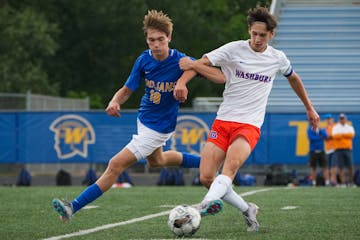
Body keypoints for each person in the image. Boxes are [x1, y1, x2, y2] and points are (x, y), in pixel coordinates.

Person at [52, 10, 225, 222]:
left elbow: (205, 69)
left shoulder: (180, 60)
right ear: (146, 39)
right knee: (157, 161)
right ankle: (208, 163)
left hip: (159, 127)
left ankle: (72, 207)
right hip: (144, 120)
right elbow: (127, 89)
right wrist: (114, 101)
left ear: (169, 38)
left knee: (115, 165)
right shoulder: (144, 59)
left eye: (161, 39)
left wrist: (182, 82)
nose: (156, 44)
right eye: (152, 40)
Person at [174, 6, 319, 232]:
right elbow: (201, 62)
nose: (258, 39)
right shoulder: (234, 49)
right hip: (223, 121)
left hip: (249, 124)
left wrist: (309, 108)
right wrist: (183, 81)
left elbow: (294, 79)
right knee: (205, 177)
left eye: (263, 35)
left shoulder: (277, 58)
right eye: (254, 33)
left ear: (271, 35)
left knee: (228, 172)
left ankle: (201, 207)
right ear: (249, 31)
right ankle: (247, 208)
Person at [332, 113, 355, 187]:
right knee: (341, 166)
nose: (342, 120)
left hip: (347, 149)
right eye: (341, 118)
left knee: (350, 166)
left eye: (343, 118)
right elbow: (334, 136)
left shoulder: (349, 127)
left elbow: (351, 135)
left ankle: (351, 182)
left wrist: (341, 135)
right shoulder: (336, 127)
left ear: (345, 119)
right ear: (339, 119)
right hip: (339, 149)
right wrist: (345, 135)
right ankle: (343, 183)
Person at [307, 121, 329, 186]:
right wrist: (320, 137)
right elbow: (311, 138)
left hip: (321, 151)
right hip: (313, 151)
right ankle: (314, 182)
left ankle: (327, 182)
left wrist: (320, 130)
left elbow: (326, 136)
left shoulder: (322, 129)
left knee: (324, 167)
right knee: (313, 167)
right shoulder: (309, 129)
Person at [324, 114, 338, 186]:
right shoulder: (325, 128)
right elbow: (325, 137)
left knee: (333, 165)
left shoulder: (335, 126)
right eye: (327, 119)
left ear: (332, 119)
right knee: (328, 166)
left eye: (329, 119)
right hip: (327, 149)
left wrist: (329, 137)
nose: (328, 120)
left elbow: (334, 135)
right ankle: (329, 181)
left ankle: (334, 180)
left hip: (335, 148)